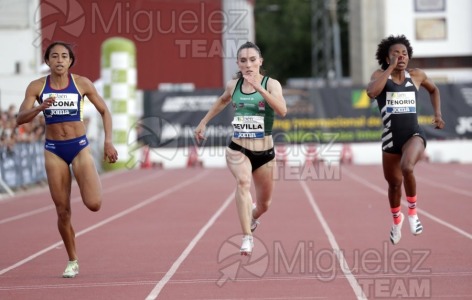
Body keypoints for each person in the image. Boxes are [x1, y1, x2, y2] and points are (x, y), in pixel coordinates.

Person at [16, 41, 118, 277]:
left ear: (70, 61)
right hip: (54, 150)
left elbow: (105, 111)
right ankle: (72, 260)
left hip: (79, 147)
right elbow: (21, 118)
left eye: (64, 56)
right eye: (55, 56)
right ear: (48, 61)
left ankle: (89, 179)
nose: (60, 60)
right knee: (62, 211)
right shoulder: (36, 86)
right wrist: (40, 107)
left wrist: (108, 141)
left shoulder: (81, 83)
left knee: (94, 204)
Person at [195, 41, 287, 255]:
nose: (248, 64)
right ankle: (247, 236)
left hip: (264, 153)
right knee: (243, 182)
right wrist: (203, 122)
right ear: (238, 63)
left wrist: (259, 89)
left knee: (264, 205)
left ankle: (253, 217)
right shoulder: (233, 85)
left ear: (260, 62)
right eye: (243, 60)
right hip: (238, 148)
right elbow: (222, 101)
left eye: (253, 60)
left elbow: (282, 110)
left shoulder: (271, 84)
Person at [366, 35, 445, 245]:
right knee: (394, 185)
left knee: (407, 167)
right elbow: (371, 92)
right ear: (387, 57)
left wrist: (437, 114)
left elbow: (434, 89)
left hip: (414, 135)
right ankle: (396, 220)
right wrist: (390, 69)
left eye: (404, 54)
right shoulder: (380, 75)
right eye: (395, 54)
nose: (401, 57)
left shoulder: (416, 76)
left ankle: (413, 214)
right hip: (391, 139)